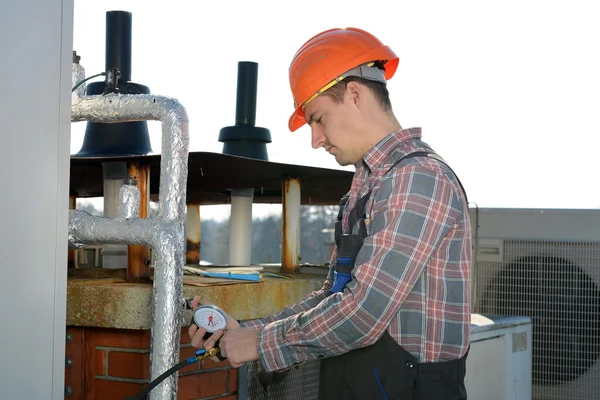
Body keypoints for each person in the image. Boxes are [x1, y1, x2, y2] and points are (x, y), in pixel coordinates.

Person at [189, 27, 471, 400]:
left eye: (318, 118)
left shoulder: (417, 179)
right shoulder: (367, 185)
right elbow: (334, 295)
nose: (315, 139)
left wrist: (260, 344)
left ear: (354, 94)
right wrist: (247, 329)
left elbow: (364, 313)